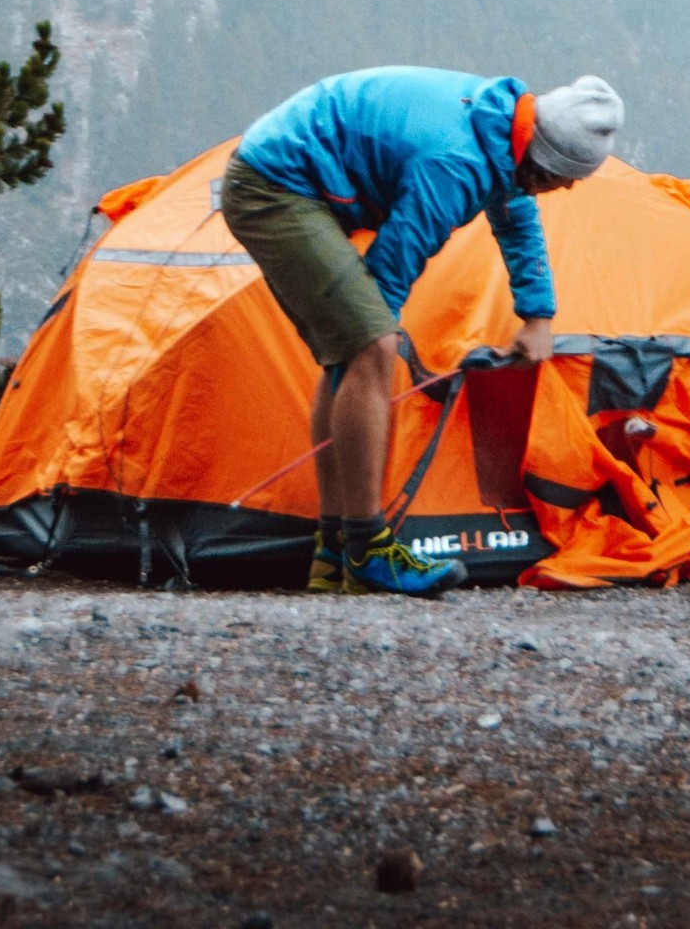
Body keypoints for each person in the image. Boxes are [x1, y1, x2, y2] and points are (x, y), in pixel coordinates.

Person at [221, 65, 624, 596]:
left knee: (353, 351)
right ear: (538, 155)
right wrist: (370, 342)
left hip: (306, 182)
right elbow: (391, 270)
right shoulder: (455, 162)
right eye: (559, 176)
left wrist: (537, 316)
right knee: (369, 345)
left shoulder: (503, 129)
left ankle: (335, 548)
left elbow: (516, 215)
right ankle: (368, 549)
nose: (566, 186)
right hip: (274, 186)